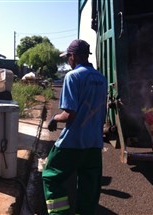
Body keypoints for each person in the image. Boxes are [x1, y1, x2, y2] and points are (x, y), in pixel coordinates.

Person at [42, 39, 107, 214]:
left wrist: (54, 119)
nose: (68, 62)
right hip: (94, 144)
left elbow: (69, 114)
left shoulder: (73, 76)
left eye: (68, 58)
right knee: (89, 188)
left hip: (72, 142)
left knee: (50, 177)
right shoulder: (101, 78)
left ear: (73, 56)